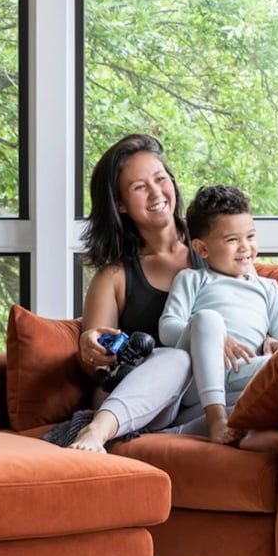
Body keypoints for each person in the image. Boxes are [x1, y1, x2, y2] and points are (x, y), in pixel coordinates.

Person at [53, 133, 204, 453]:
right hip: (139, 400)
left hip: (203, 400)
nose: (156, 193)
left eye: (160, 179)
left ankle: (179, 436)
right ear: (120, 205)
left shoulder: (211, 246)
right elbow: (95, 363)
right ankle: (96, 431)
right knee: (179, 358)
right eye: (139, 187)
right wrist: (88, 344)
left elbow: (252, 300)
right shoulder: (115, 276)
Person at [159, 185, 278, 450]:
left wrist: (275, 343)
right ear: (202, 249)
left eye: (250, 236)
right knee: (209, 318)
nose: (245, 247)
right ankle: (216, 418)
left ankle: (250, 431)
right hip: (199, 375)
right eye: (232, 240)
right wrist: (216, 337)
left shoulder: (268, 289)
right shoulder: (193, 279)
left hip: (243, 371)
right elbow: (168, 329)